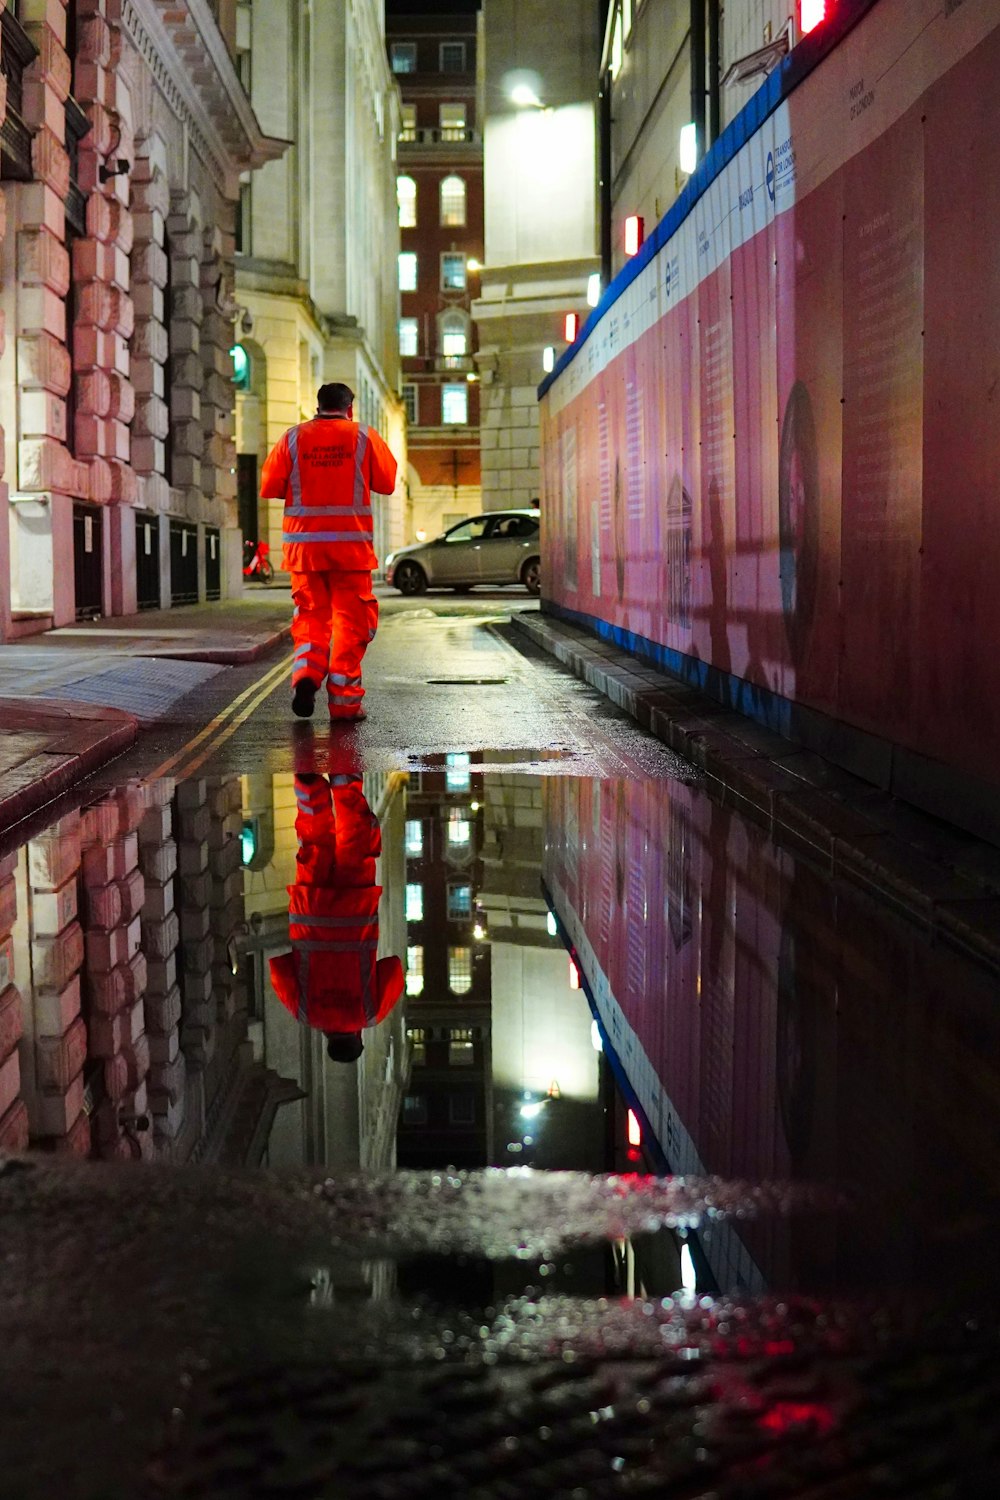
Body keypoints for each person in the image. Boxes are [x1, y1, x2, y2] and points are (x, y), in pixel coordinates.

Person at [260, 383, 398, 722]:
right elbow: (388, 482)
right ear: (350, 409)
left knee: (310, 620)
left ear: (317, 405)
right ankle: (345, 705)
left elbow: (269, 486)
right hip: (350, 552)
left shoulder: (292, 438)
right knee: (351, 627)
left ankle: (306, 675)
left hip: (304, 553)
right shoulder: (363, 436)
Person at [269, 772, 404, 1062]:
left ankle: (344, 778)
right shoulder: (304, 1012)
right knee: (314, 844)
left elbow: (394, 969)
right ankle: (308, 786)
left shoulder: (370, 1014)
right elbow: (279, 971)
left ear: (358, 1038)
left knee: (356, 840)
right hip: (310, 909)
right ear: (328, 1040)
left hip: (356, 907)